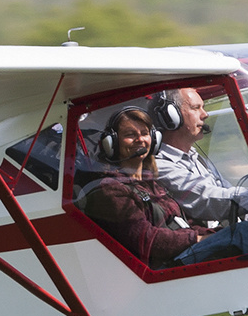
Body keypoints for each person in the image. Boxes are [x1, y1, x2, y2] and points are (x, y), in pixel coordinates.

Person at [151, 87, 248, 264]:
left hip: (223, 233)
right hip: (194, 250)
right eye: (195, 108)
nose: (205, 114)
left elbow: (228, 193)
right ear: (171, 117)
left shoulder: (195, 157)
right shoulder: (160, 165)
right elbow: (210, 201)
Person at [76, 106, 208, 269]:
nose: (140, 139)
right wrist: (195, 238)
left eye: (144, 134)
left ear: (154, 139)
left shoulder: (152, 183)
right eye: (130, 135)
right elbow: (149, 241)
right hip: (163, 270)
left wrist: (209, 234)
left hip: (183, 257)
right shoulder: (110, 190)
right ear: (112, 143)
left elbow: (183, 221)